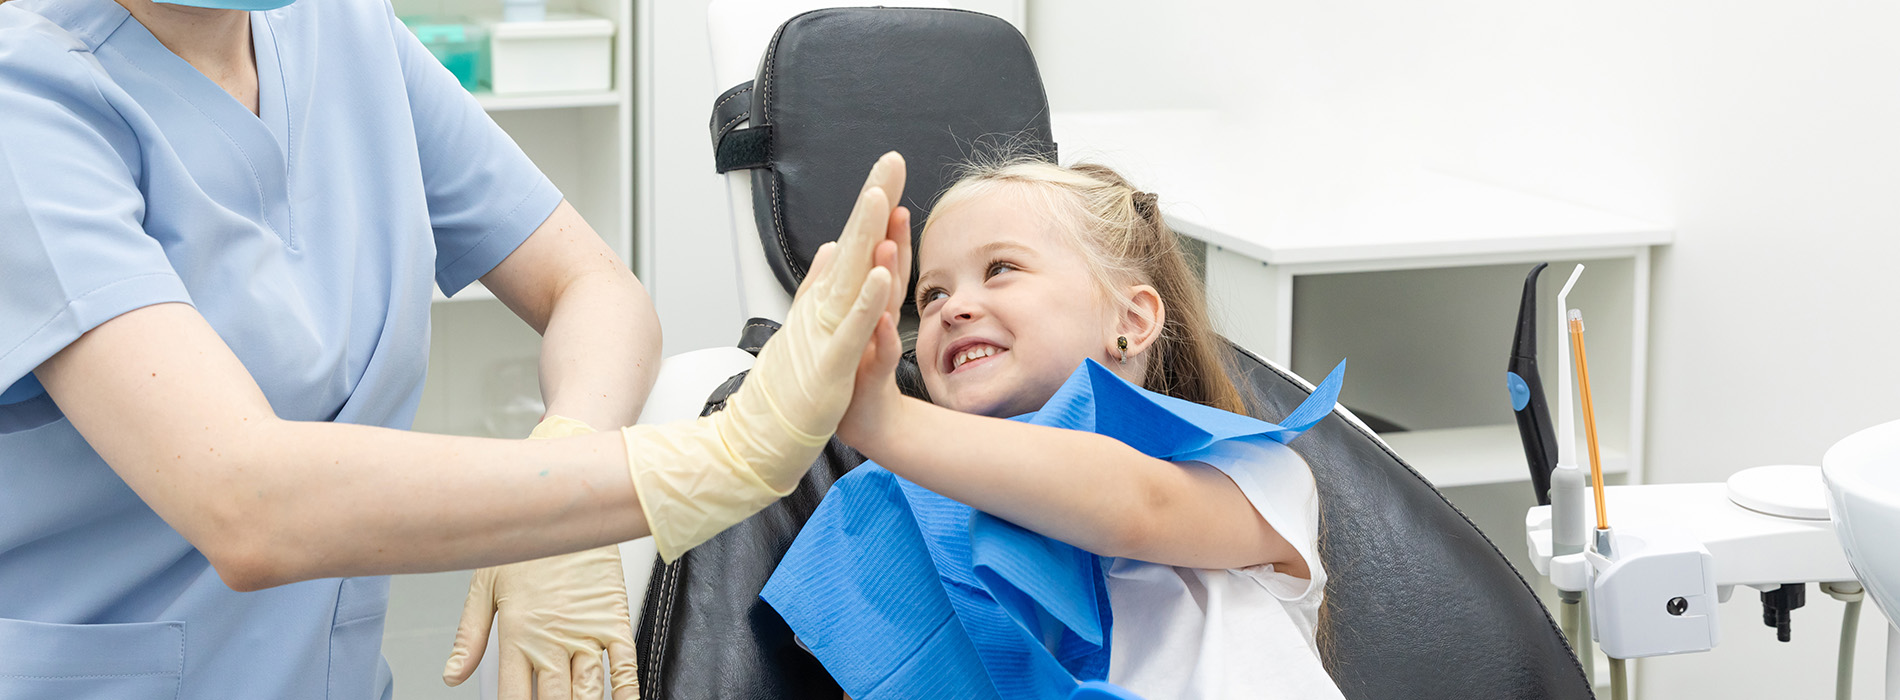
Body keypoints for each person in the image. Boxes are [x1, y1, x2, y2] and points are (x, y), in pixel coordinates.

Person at [0, 0, 909, 693]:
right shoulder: (28, 96)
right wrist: (713, 460)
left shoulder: (342, 31)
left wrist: (572, 449)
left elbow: (591, 288)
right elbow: (245, 502)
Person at [763, 157, 1348, 699]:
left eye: (1000, 269)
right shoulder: (895, 510)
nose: (952, 307)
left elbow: (1133, 509)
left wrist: (885, 422)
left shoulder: (1258, 475)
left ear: (1131, 319)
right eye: (932, 293)